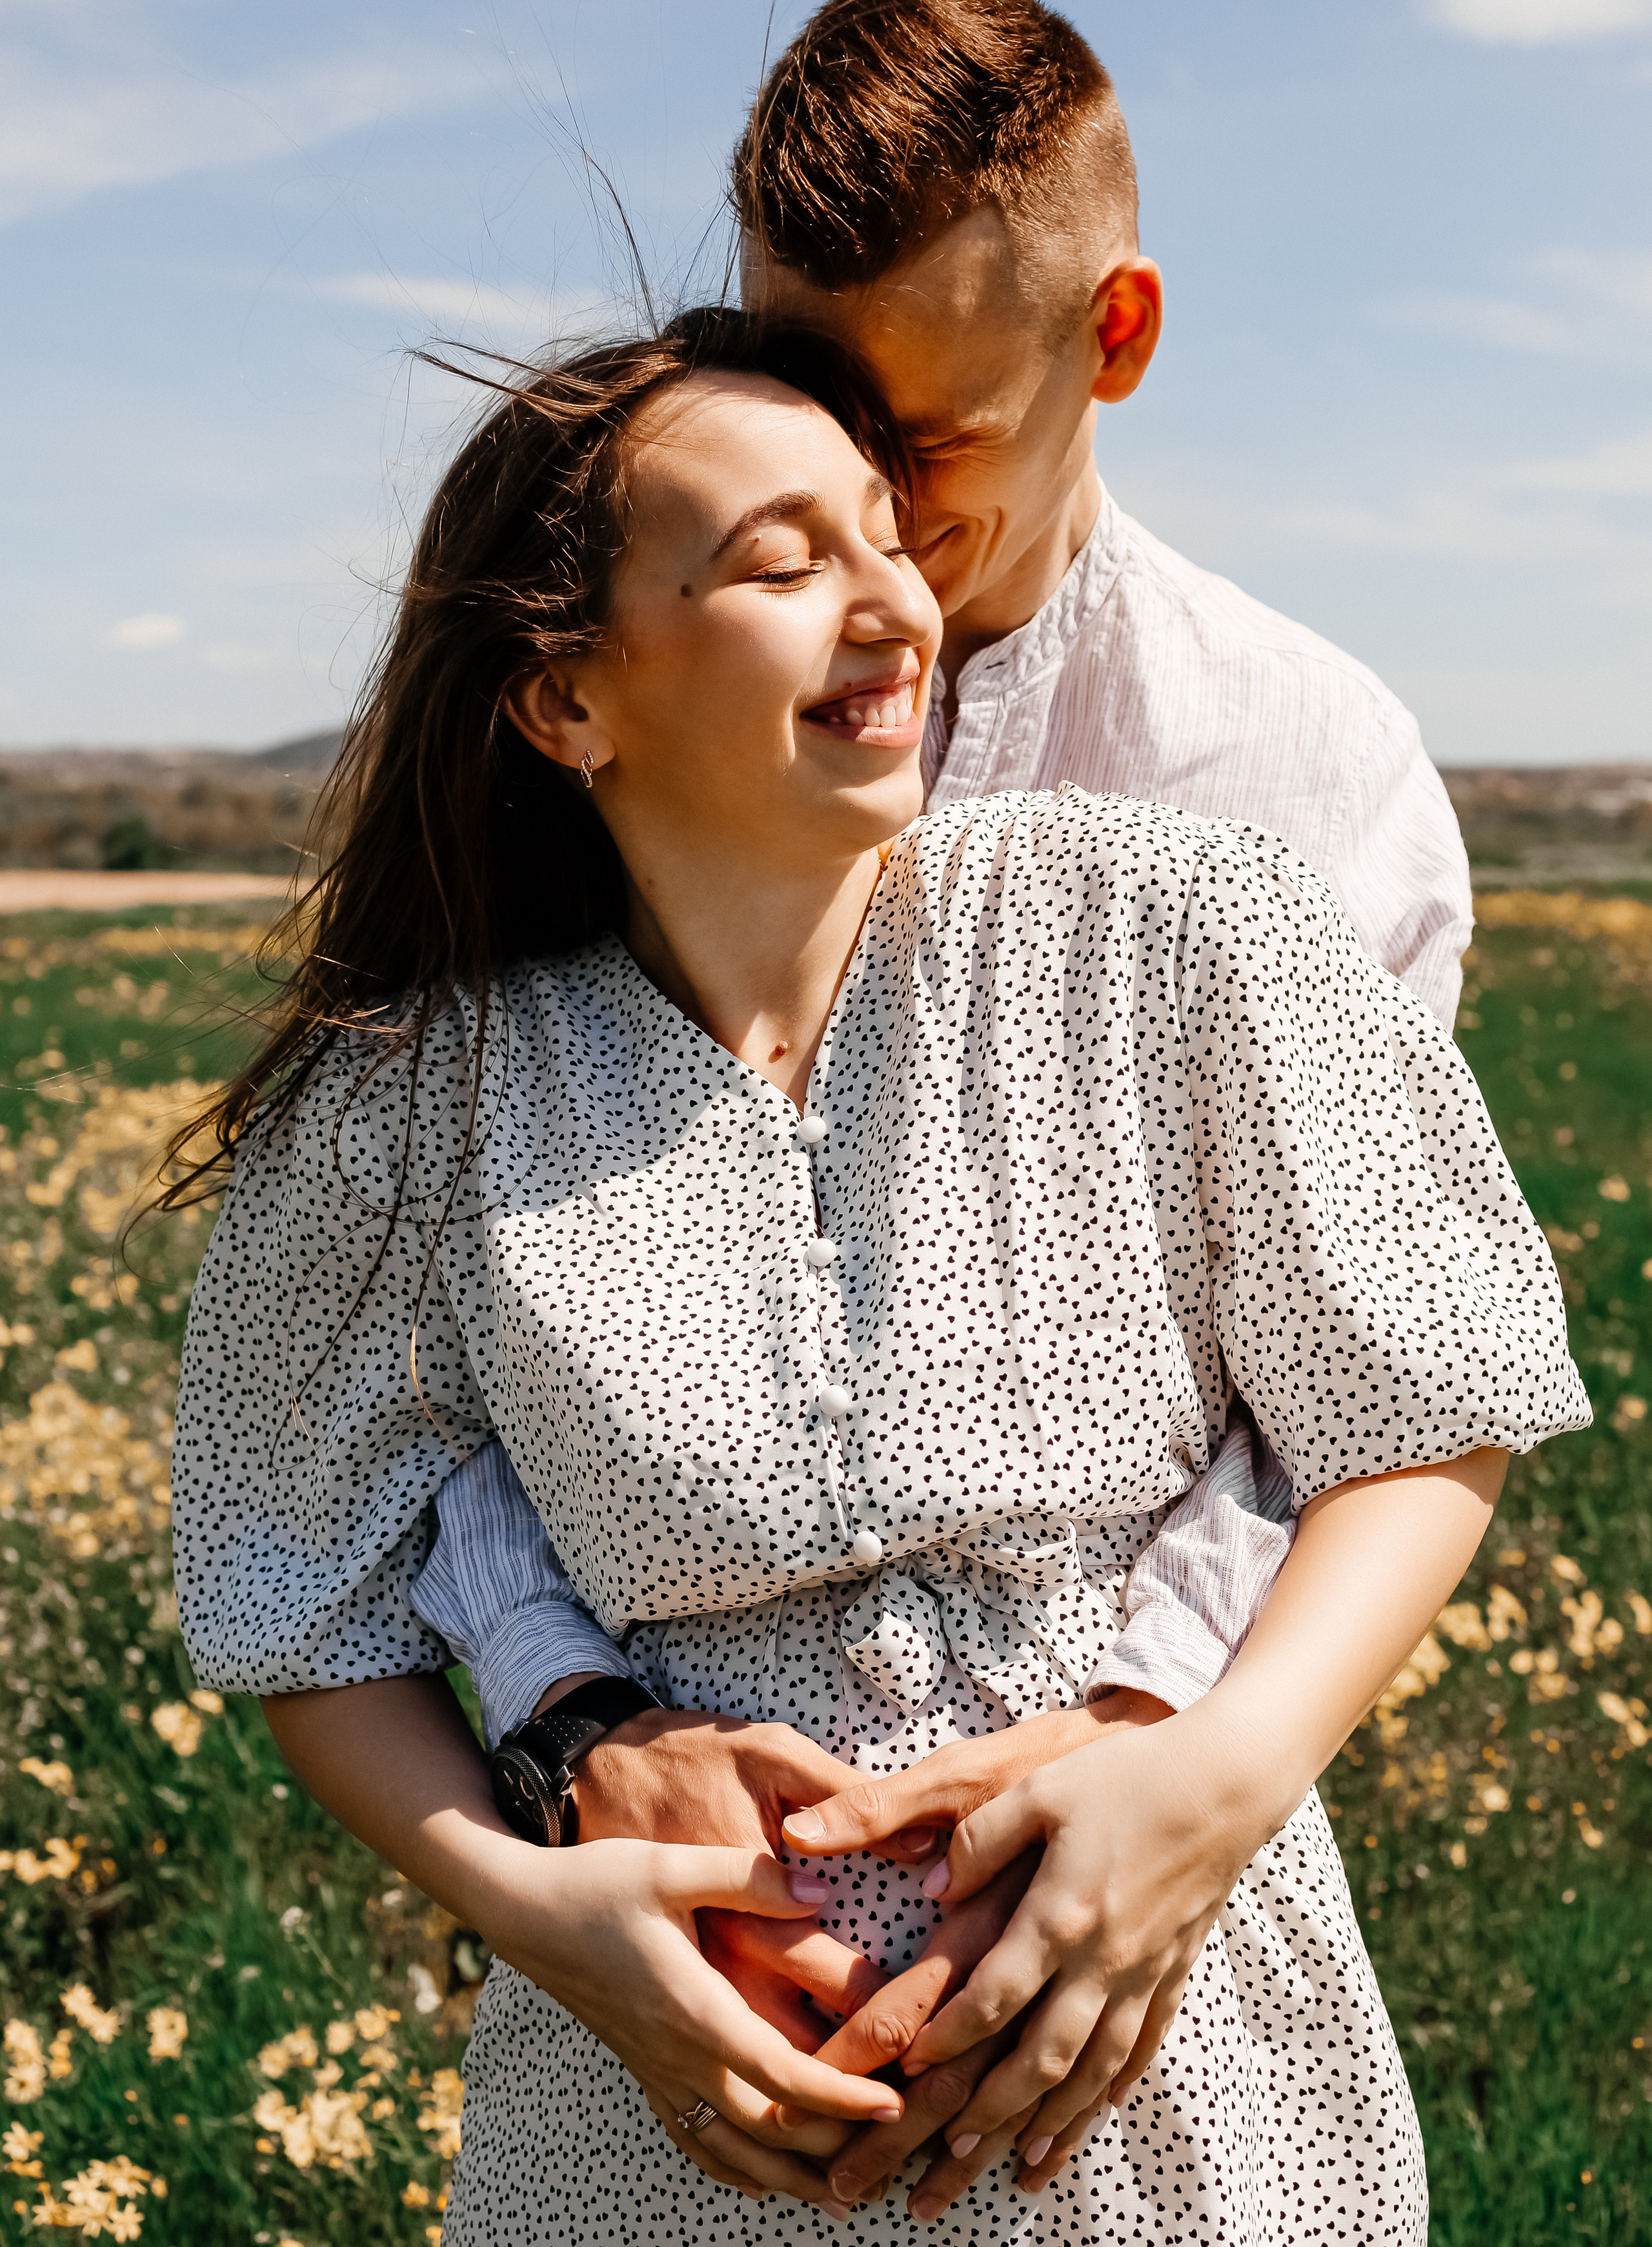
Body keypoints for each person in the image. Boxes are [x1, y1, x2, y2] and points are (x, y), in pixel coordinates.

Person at [170, 306, 1588, 2245]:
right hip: (660, 2131)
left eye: (885, 537)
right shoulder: (414, 1110)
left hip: (1182, 2090)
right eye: (777, 559)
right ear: (566, 702)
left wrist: (1218, 1782)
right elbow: (302, 1606)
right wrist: (536, 1916)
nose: (895, 606)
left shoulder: (1170, 932)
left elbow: (1425, 1412)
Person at [403, 0, 1481, 2210]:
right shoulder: (615, 718)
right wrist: (582, 1728)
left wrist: (1154, 1769)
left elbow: (1360, 1377)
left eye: (930, 450)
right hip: (683, 1960)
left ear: (1117, 337)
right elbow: (445, 1328)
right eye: (809, 411)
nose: (871, 514)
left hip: (1145, 1925)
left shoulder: (1302, 782)